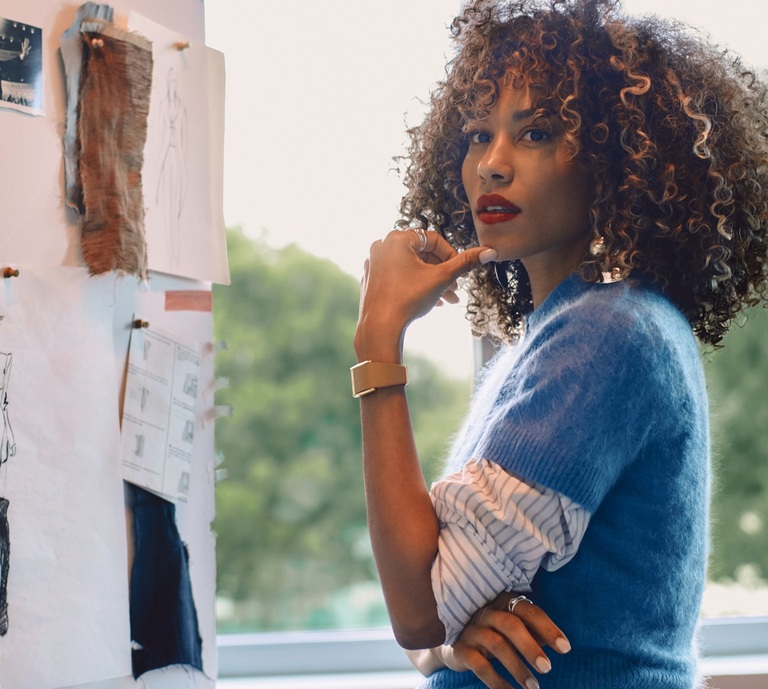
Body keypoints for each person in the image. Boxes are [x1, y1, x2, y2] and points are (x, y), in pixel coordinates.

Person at [352, 0, 768, 688]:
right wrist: (451, 637)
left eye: (537, 131)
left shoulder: (609, 337)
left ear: (613, 156)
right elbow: (433, 617)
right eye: (477, 134)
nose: (491, 164)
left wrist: (378, 341)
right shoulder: (553, 339)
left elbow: (417, 609)